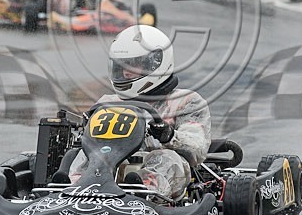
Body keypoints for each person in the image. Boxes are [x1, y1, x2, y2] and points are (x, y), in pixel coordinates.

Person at [68, 25, 212, 200]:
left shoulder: (187, 101)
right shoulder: (107, 102)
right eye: (122, 65)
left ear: (155, 63)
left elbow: (197, 149)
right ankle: (73, 189)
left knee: (167, 158)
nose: (126, 72)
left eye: (135, 64)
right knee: (84, 154)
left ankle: (142, 193)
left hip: (162, 172)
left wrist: (168, 135)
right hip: (110, 166)